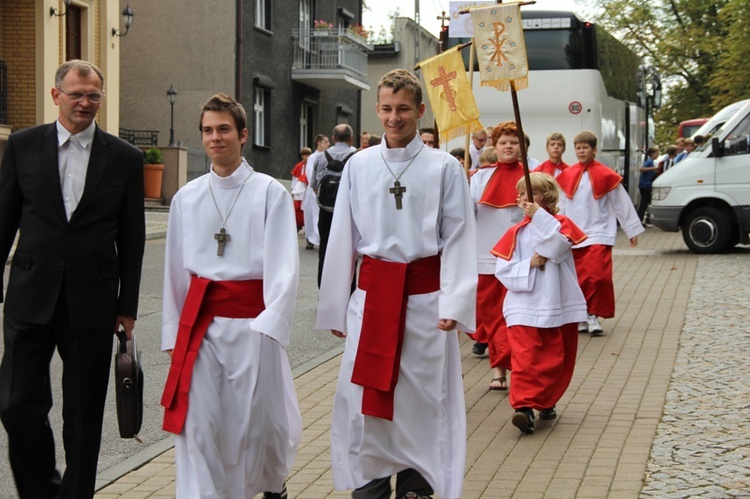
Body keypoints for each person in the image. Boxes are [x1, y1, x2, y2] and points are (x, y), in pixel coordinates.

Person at [316, 69, 477, 499]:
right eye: (386, 108)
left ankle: (416, 484)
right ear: (377, 110)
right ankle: (368, 483)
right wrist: (335, 304)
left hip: (425, 303)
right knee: (362, 395)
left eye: (403, 109)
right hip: (371, 300)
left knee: (422, 399)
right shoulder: (359, 165)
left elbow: (460, 236)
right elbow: (343, 237)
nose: (394, 117)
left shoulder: (444, 168)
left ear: (420, 111)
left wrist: (455, 303)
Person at [0, 59, 146, 499]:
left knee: (83, 415)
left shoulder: (124, 157)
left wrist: (128, 306)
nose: (85, 102)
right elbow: (4, 220)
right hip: (30, 295)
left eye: (94, 95)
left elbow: (133, 237)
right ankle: (41, 490)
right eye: (77, 94)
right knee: (16, 403)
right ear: (56, 95)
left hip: (93, 301)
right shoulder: (23, 146)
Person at [160, 93, 301, 499]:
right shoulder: (187, 197)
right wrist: (173, 333)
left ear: (243, 135)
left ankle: (270, 487)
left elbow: (284, 267)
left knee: (256, 425)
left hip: (253, 327)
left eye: (223, 129)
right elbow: (175, 271)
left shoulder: (269, 193)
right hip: (200, 330)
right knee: (200, 427)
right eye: (207, 130)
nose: (214, 138)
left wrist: (269, 327)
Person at [492, 173, 587, 433]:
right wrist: (528, 265)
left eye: (532, 193)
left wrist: (540, 217)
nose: (525, 198)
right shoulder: (515, 232)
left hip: (558, 302)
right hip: (524, 305)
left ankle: (547, 401)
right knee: (524, 359)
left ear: (547, 197)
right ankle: (523, 407)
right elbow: (503, 270)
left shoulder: (560, 224)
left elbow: (557, 248)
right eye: (522, 194)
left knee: (556, 358)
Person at [556, 131, 644, 336]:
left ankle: (593, 314)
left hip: (599, 231)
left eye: (585, 148)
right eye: (578, 148)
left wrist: (631, 229)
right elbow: (562, 205)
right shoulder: (567, 176)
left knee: (598, 277)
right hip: (574, 232)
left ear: (594, 150)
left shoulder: (605, 175)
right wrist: (560, 228)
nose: (581, 151)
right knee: (579, 279)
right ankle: (582, 315)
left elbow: (621, 204)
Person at [469, 121, 525, 389]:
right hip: (487, 257)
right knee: (493, 317)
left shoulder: (532, 176)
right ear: (494, 145)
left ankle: (520, 371)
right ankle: (499, 370)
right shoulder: (480, 177)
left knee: (518, 318)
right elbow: (465, 215)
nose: (509, 147)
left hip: (520, 259)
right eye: (503, 142)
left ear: (521, 146)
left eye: (514, 142)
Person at [311, 124, 357, 288]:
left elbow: (315, 185)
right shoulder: (356, 156)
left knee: (325, 247)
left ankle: (324, 287)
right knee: (348, 250)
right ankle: (348, 289)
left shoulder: (321, 157)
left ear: (333, 139)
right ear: (351, 138)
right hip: (349, 212)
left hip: (326, 210)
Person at [303, 134, 329, 249]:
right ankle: (311, 238)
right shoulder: (313, 158)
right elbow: (310, 173)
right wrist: (315, 186)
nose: (328, 144)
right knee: (312, 214)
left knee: (319, 214)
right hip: (314, 190)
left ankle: (320, 237)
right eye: (326, 142)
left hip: (323, 189)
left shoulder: (328, 156)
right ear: (319, 143)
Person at [290, 147, 312, 231]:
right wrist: (293, 190)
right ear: (302, 156)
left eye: (308, 155)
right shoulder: (298, 166)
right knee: (297, 207)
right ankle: (298, 225)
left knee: (306, 208)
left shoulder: (310, 166)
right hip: (298, 190)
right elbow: (295, 179)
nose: (307, 157)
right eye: (305, 155)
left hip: (307, 190)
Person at [637, 146, 660, 225]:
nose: (658, 155)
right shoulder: (650, 161)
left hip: (643, 185)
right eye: (657, 153)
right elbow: (642, 169)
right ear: (652, 154)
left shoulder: (651, 161)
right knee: (652, 201)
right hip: (646, 185)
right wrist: (653, 168)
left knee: (644, 203)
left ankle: (639, 219)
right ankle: (649, 219)